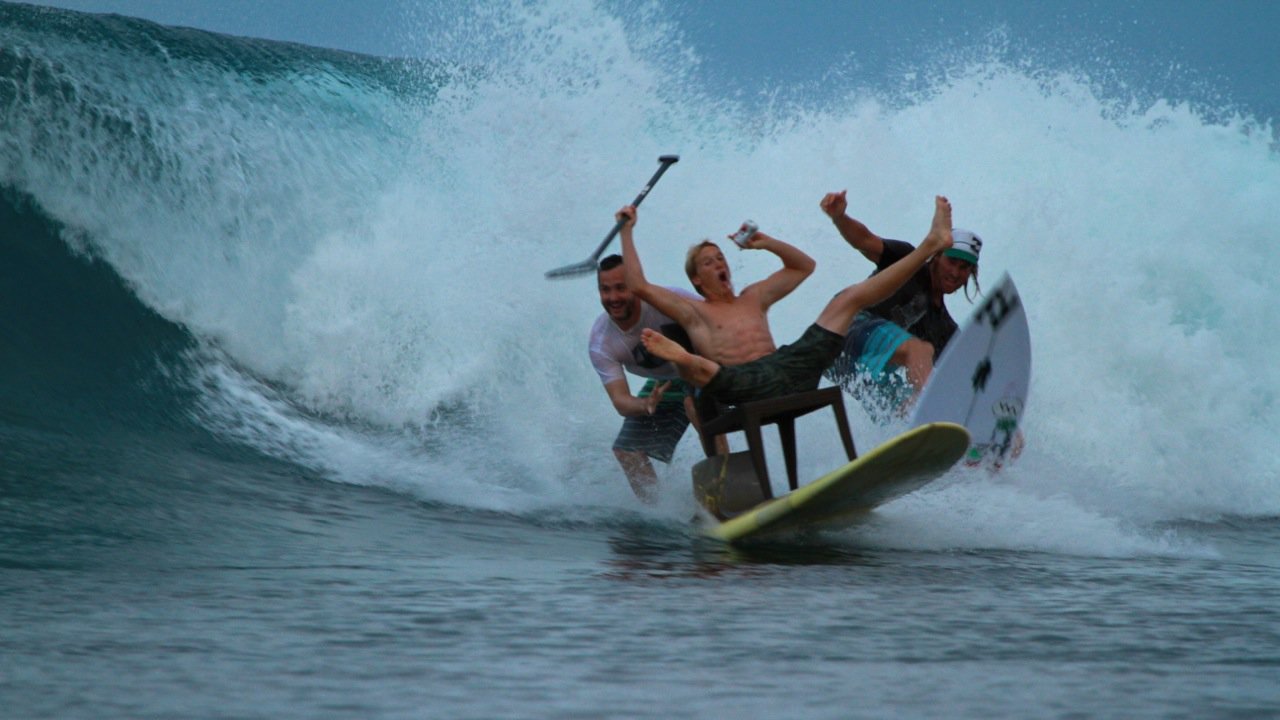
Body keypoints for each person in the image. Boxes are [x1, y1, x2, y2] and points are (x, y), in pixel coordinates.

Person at [620, 196, 955, 407]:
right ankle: (681, 359)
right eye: (708, 263)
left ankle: (930, 245)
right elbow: (637, 284)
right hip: (739, 383)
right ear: (695, 279)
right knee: (701, 370)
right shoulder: (694, 311)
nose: (719, 265)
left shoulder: (754, 297)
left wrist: (767, 244)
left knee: (847, 299)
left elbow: (803, 266)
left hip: (789, 368)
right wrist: (627, 230)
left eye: (720, 258)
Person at [819, 189, 982, 394]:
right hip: (845, 330)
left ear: (971, 273)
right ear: (937, 256)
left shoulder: (944, 329)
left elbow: (966, 377)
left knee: (908, 403)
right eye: (951, 261)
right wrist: (840, 218)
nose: (955, 272)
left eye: (964, 267)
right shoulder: (907, 260)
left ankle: (932, 423)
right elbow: (865, 241)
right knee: (918, 350)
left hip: (849, 370)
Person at [588, 254, 702, 502]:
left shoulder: (667, 299)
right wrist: (645, 404)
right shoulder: (602, 341)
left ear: (636, 286)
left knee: (697, 407)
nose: (613, 298)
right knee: (626, 450)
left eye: (621, 288)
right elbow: (620, 401)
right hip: (666, 384)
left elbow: (720, 316)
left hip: (704, 369)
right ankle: (661, 511)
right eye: (605, 290)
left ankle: (729, 487)